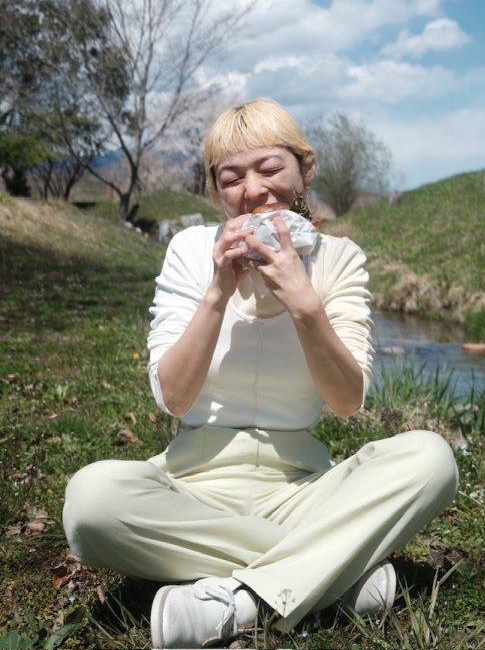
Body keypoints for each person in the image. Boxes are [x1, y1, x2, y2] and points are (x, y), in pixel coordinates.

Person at [63, 98, 458, 649]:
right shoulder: (190, 249)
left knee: (431, 460)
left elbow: (347, 401)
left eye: (270, 168)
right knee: (90, 502)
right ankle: (334, 576)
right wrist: (217, 291)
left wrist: (303, 301)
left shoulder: (340, 258)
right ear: (215, 190)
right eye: (232, 178)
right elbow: (174, 398)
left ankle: (240, 601)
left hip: (304, 490)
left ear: (305, 170)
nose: (253, 190)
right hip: (192, 489)